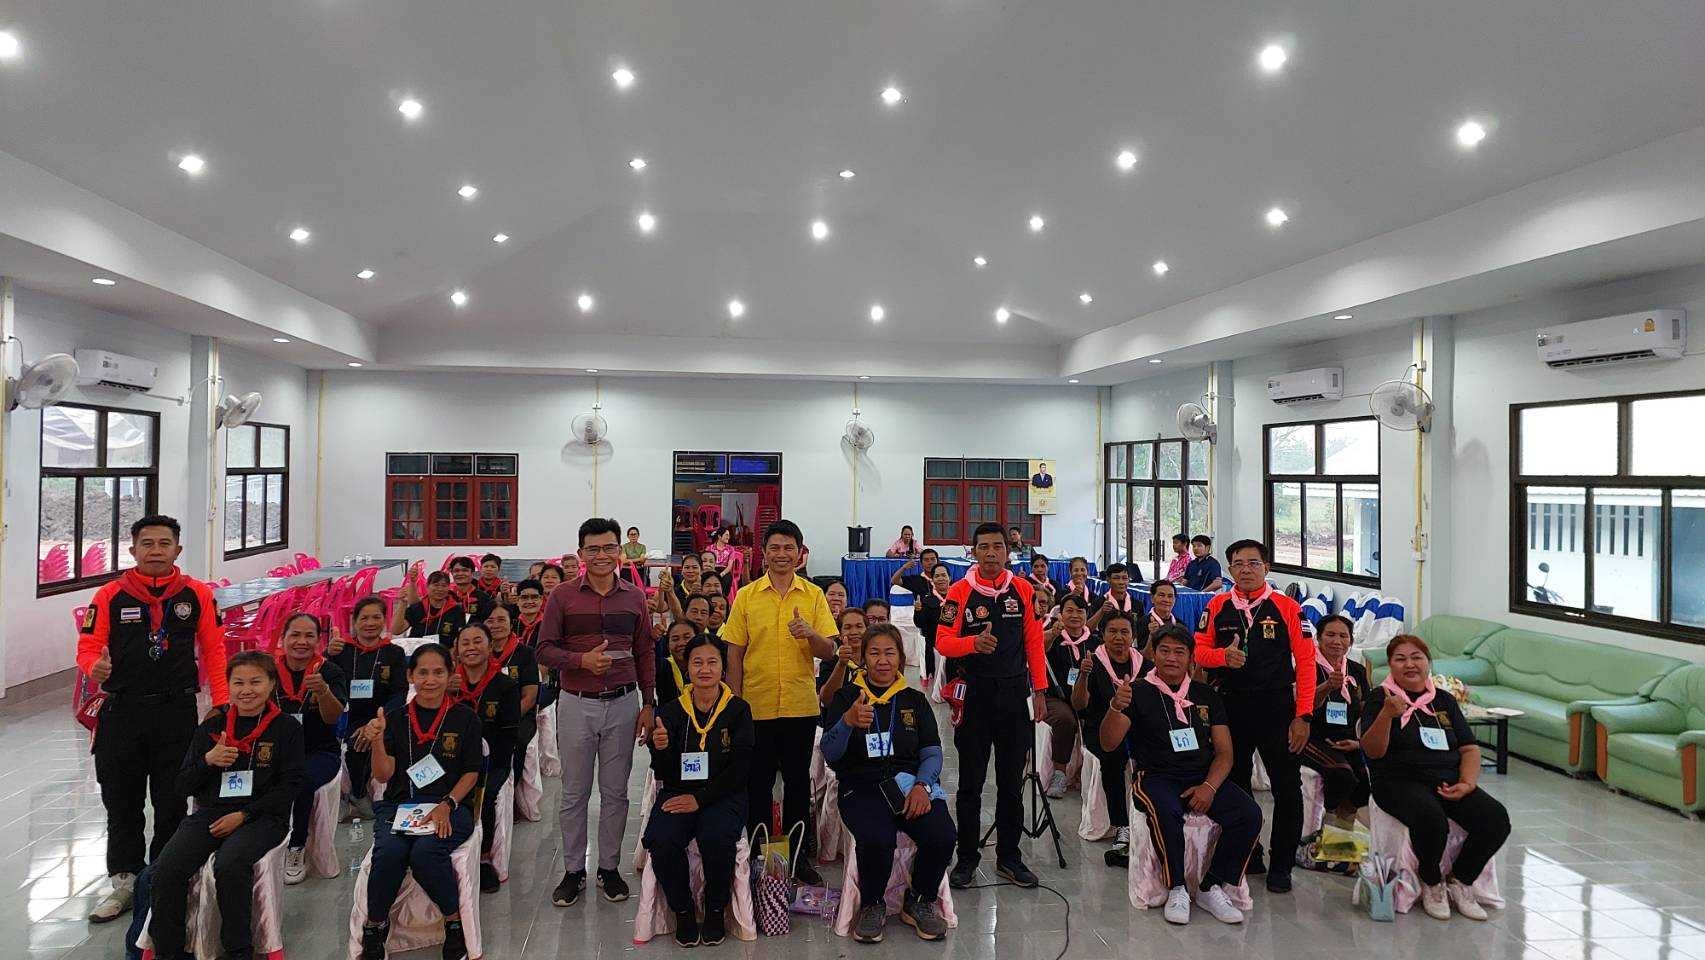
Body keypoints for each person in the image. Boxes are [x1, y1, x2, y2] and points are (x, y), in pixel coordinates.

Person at [79, 514, 228, 923]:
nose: (156, 551)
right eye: (148, 544)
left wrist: (222, 704)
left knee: (173, 798)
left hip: (176, 712)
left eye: (165, 544)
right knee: (121, 800)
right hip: (122, 712)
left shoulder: (197, 594)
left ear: (177, 550)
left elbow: (215, 650)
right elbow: (88, 646)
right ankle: (125, 881)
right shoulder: (110, 595)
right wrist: (94, 666)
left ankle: (165, 876)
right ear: (133, 550)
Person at [1099, 625, 1261, 926]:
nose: (1171, 658)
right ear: (1154, 654)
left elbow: (1225, 752)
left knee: (1249, 814)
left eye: (1179, 652)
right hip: (1155, 775)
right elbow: (1109, 743)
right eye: (1164, 650)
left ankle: (1211, 885)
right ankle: (1176, 887)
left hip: (1201, 775)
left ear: (1190, 658)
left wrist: (1209, 787)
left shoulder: (1205, 695)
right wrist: (1114, 707)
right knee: (1166, 811)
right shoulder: (1137, 692)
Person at [148, 652, 305, 960]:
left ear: (272, 684)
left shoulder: (286, 728)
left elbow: (290, 786)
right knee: (165, 870)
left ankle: (238, 950)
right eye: (238, 683)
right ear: (228, 686)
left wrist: (244, 815)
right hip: (211, 813)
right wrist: (208, 761)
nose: (246, 690)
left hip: (262, 816)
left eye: (255, 682)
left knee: (230, 864)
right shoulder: (213, 726)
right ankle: (169, 951)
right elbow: (182, 785)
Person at [537, 518, 657, 908]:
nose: (602, 555)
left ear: (620, 551)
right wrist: (581, 661)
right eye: (593, 549)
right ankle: (574, 870)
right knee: (574, 793)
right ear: (581, 553)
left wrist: (648, 703)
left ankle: (609, 867)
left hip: (623, 704)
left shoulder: (635, 597)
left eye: (608, 548)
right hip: (576, 703)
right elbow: (544, 649)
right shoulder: (562, 597)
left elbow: (645, 652)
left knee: (616, 793)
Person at [721, 519, 838, 885]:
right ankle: (760, 857)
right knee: (757, 784)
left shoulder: (813, 595)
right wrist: (735, 705)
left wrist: (810, 633)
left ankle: (796, 857)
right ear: (764, 553)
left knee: (797, 784)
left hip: (800, 707)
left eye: (789, 548)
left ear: (799, 553)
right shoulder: (747, 596)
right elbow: (734, 653)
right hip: (755, 706)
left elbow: (829, 650)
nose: (782, 554)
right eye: (775, 547)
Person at [1192, 539, 1313, 893]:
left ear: (1266, 568)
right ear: (1229, 569)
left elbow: (1306, 663)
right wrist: (1222, 657)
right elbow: (1198, 651)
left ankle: (1282, 864)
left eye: (1253, 563)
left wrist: (1304, 716)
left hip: (1277, 709)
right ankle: (1250, 852)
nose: (1246, 569)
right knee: (1237, 782)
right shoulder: (1217, 605)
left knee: (1287, 787)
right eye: (1238, 564)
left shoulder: (1287, 607)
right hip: (1231, 707)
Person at [1360, 635, 1509, 921]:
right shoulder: (1381, 698)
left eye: (1416, 657)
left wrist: (1466, 783)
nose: (1409, 664)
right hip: (1397, 781)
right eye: (1400, 659)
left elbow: (1469, 748)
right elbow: (1373, 751)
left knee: (1495, 818)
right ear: (1390, 665)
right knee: (1431, 818)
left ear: (1428, 662)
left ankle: (1461, 879)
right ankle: (1431, 881)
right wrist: (1387, 716)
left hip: (1446, 779)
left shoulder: (1443, 700)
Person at [934, 521, 1048, 889]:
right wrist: (972, 644)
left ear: (1008, 551)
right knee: (971, 783)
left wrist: (1040, 690)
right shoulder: (959, 591)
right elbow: (942, 641)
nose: (991, 553)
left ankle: (1009, 858)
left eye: (997, 546)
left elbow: (1034, 643)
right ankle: (967, 858)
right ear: (974, 552)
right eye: (983, 547)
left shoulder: (1023, 589)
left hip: (1014, 695)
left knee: (1011, 783)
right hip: (975, 695)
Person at [823, 624, 954, 943]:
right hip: (860, 785)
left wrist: (923, 786)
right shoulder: (846, 697)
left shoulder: (914, 700)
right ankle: (872, 904)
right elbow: (830, 752)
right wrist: (847, 722)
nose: (882, 660)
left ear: (900, 658)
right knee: (877, 837)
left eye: (889, 653)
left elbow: (932, 751)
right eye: (874, 653)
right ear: (864, 658)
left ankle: (919, 899)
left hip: (908, 784)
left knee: (942, 834)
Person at [352, 644, 482, 960]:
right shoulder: (395, 719)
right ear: (411, 676)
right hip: (399, 806)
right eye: (422, 672)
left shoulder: (464, 718)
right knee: (390, 853)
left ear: (450, 675)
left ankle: (454, 922)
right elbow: (383, 775)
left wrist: (447, 804)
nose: (430, 680)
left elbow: (472, 772)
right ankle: (375, 926)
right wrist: (377, 742)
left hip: (450, 805)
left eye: (438, 672)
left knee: (426, 853)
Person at [642, 634, 754, 948]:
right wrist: (660, 748)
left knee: (716, 836)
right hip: (679, 791)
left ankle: (716, 909)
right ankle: (683, 910)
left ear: (723, 668)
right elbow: (663, 772)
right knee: (661, 838)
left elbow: (741, 770)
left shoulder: (738, 710)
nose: (705, 669)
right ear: (687, 667)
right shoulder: (671, 711)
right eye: (697, 662)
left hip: (724, 794)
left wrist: (700, 799)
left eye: (712, 662)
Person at [271, 613, 348, 884]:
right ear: (283, 639)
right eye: (295, 635)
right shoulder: (269, 671)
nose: (301, 641)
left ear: (318, 640)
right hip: (277, 752)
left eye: (309, 636)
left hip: (320, 752)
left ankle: (296, 846)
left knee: (299, 779)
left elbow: (333, 717)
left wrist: (324, 692)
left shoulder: (330, 671)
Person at [446, 623, 520, 893]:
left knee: (484, 796)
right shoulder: (447, 683)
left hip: (492, 763)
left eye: (478, 641)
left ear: (490, 648)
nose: (471, 648)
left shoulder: (505, 686)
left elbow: (509, 737)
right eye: (465, 643)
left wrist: (480, 766)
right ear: (457, 650)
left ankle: (484, 858)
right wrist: (446, 692)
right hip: (451, 761)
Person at [1071, 609, 1147, 863]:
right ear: (1102, 634)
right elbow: (1079, 705)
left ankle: (1148, 819)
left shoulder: (1144, 665)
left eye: (1124, 631)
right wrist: (1083, 675)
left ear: (1133, 636)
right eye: (1112, 631)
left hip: (1136, 727)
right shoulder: (1093, 663)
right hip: (1099, 729)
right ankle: (1121, 825)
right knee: (1114, 756)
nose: (1118, 637)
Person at [329, 596, 411, 822]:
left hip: (381, 716)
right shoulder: (342, 651)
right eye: (364, 618)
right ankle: (348, 793)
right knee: (351, 740)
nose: (370, 623)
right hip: (346, 717)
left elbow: (399, 693)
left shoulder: (393, 653)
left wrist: (375, 723)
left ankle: (359, 793)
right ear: (355, 622)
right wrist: (328, 654)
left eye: (376, 617)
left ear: (385, 620)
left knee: (371, 739)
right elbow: (328, 682)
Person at [1302, 615, 1371, 826]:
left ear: (1351, 640)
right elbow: (1302, 706)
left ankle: (1343, 828)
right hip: (1314, 737)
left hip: (1348, 740)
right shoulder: (1307, 667)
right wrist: (1327, 687)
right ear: (1318, 638)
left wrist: (1358, 743)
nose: (1337, 641)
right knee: (1342, 775)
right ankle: (1326, 823)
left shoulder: (1356, 670)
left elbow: (1365, 711)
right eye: (1330, 635)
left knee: (1367, 781)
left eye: (1343, 636)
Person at [1041, 594, 1095, 798]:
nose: (1074, 615)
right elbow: (1038, 646)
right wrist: (1053, 633)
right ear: (1060, 614)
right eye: (1069, 611)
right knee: (1065, 719)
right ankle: (1059, 773)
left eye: (1080, 611)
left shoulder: (1094, 642)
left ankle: (1087, 773)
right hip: (1054, 697)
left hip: (1085, 697)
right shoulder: (1053, 636)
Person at [483, 605, 541, 793]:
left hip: (517, 715)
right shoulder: (478, 653)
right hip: (483, 715)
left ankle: (509, 792)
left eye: (501, 620)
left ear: (511, 624)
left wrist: (507, 719)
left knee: (514, 741)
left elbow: (529, 697)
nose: (495, 625)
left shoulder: (525, 653)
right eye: (490, 621)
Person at [894, 559, 951, 688]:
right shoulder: (928, 599)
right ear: (933, 580)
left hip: (954, 645)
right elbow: (919, 624)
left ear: (950, 578)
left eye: (944, 575)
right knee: (936, 683)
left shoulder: (956, 597)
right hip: (935, 646)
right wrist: (918, 611)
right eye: (937, 576)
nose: (941, 579)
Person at [513, 579, 558, 713]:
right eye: (524, 597)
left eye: (534, 597)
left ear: (541, 600)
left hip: (542, 686)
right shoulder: (510, 625)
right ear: (517, 600)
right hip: (512, 684)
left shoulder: (550, 626)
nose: (529, 601)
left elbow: (547, 660)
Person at [818, 607, 868, 709]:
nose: (854, 632)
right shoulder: (830, 659)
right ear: (840, 635)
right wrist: (841, 664)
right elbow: (826, 700)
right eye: (847, 627)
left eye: (859, 626)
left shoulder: (874, 659)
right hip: (839, 716)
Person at [394, 571, 467, 642]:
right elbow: (396, 631)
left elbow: (459, 638)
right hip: (418, 648)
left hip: (443, 649)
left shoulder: (456, 610)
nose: (440, 589)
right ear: (427, 586)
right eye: (436, 585)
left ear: (448, 588)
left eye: (444, 586)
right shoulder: (418, 607)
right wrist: (402, 603)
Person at [655, 620, 698, 705]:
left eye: (687, 637)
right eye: (675, 639)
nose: (681, 643)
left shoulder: (707, 667)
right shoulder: (663, 666)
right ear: (668, 645)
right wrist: (655, 641)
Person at [1136, 579, 1182, 656]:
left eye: (1170, 596)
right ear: (1152, 598)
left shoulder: (1180, 625)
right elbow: (1139, 657)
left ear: (1175, 600)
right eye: (1162, 595)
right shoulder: (1142, 623)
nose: (1166, 600)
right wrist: (1151, 637)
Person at [1088, 563, 1137, 631]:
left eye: (1125, 578)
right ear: (1108, 580)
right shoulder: (1099, 603)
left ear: (1129, 580)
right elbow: (1087, 629)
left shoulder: (1137, 604)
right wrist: (1101, 611)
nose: (1121, 582)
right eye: (1116, 578)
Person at [447, 557, 497, 622]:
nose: (460, 574)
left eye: (465, 570)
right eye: (456, 571)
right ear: (451, 573)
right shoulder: (447, 596)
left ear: (472, 573)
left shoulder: (483, 598)